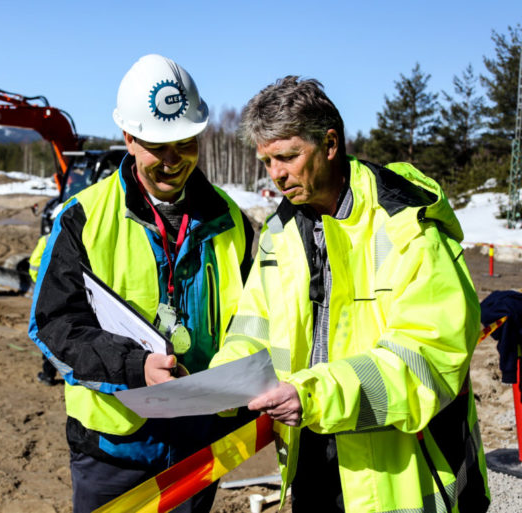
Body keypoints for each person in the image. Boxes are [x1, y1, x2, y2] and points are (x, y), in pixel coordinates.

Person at [211, 76, 491, 512]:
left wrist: (313, 396)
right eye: (266, 161)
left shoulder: (405, 224)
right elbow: (254, 326)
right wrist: (221, 381)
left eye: (287, 157)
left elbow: (429, 357)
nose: (276, 175)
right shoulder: (278, 233)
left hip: (401, 474)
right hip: (310, 462)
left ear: (330, 144)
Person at [28, 54, 255, 512]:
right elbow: (53, 323)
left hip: (198, 441)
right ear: (129, 138)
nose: (173, 161)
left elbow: (258, 316)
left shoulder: (231, 220)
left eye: (185, 143)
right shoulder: (83, 218)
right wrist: (134, 367)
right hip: (114, 451)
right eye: (158, 146)